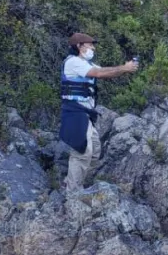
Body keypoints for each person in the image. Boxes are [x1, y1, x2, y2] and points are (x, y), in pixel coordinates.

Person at [59, 32, 138, 194]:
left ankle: (75, 183)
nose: (93, 48)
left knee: (94, 152)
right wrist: (124, 68)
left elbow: (106, 73)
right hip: (74, 112)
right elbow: (99, 74)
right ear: (79, 46)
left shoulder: (86, 64)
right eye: (90, 45)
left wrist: (125, 69)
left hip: (85, 113)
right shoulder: (73, 62)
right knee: (82, 151)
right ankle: (73, 192)